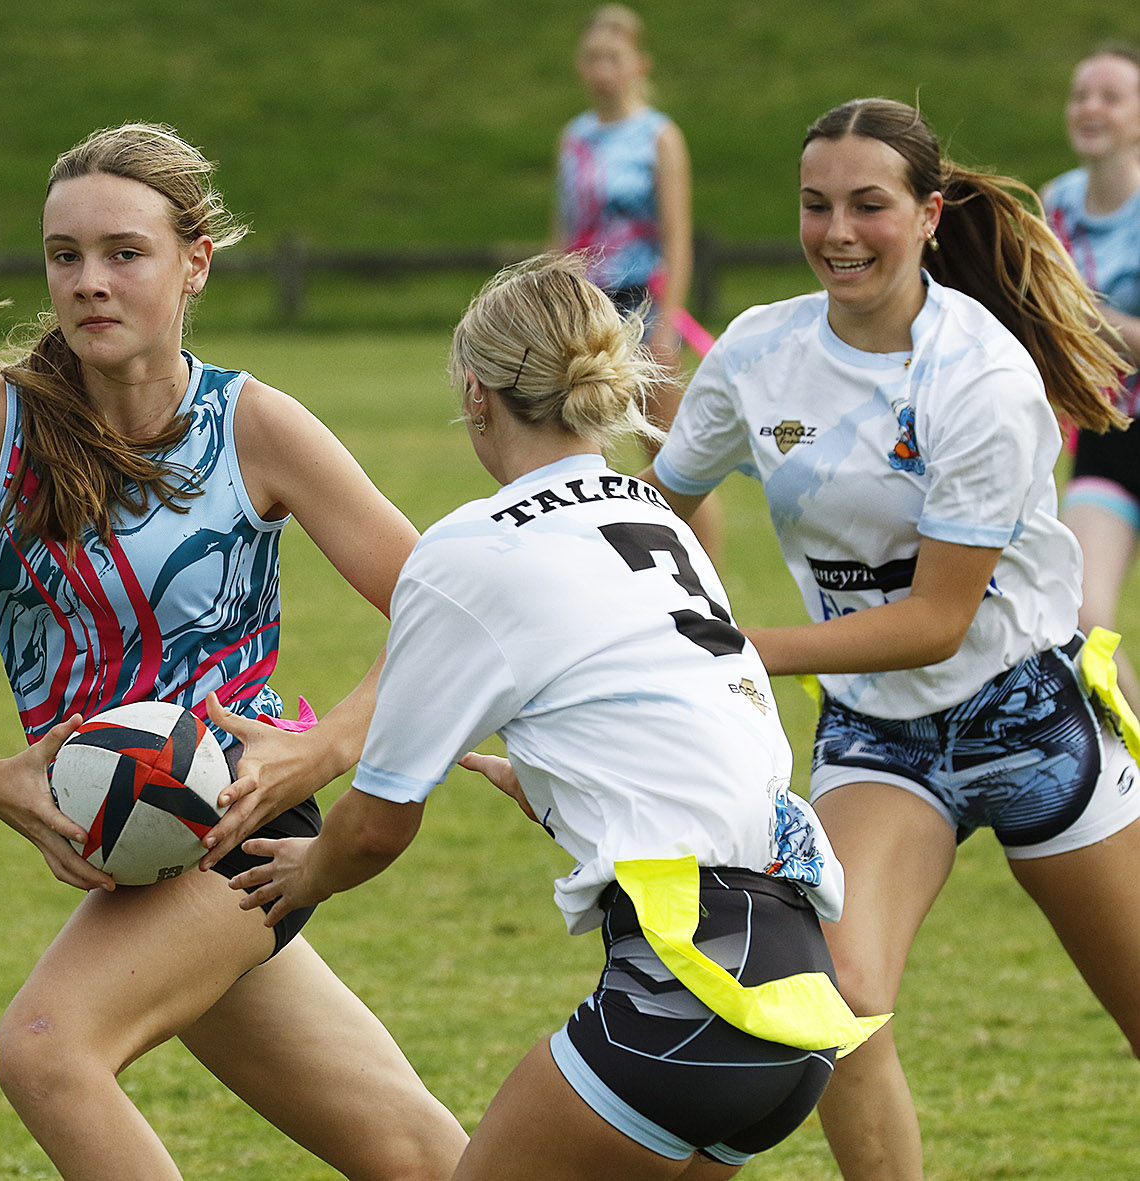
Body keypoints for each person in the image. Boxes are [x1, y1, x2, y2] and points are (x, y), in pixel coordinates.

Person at [0, 122, 467, 1180]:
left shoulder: (254, 424)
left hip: (241, 816)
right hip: (132, 842)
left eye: (124, 252)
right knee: (411, 1152)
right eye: (65, 255)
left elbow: (448, 608)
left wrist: (322, 748)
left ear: (195, 263)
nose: (88, 281)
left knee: (47, 1049)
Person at [232, 255, 875, 1180]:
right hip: (796, 987)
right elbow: (671, 722)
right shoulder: (659, 517)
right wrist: (552, 785)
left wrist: (308, 873)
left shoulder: (474, 546)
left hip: (686, 993)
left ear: (476, 393)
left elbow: (373, 828)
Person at [643, 98, 1140, 1181]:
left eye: (867, 205)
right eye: (814, 205)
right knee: (838, 1000)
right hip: (879, 740)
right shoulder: (756, 352)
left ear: (927, 215)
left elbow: (934, 622)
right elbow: (656, 507)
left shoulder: (981, 375)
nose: (836, 233)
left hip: (1031, 724)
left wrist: (734, 649)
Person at [553, 4, 719, 559]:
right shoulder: (575, 137)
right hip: (588, 307)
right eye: (592, 58)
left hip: (643, 303)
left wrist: (666, 326)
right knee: (579, 449)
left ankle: (710, 581)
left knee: (670, 456)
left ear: (638, 65)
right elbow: (565, 231)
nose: (602, 70)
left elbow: (676, 238)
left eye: (613, 58)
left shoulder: (658, 136)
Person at [1046, 43, 1140, 706]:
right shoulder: (1057, 204)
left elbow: (1062, 315)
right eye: (1081, 95)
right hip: (1111, 434)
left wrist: (1084, 318)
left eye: (1111, 96)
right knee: (1079, 617)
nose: (1090, 108)